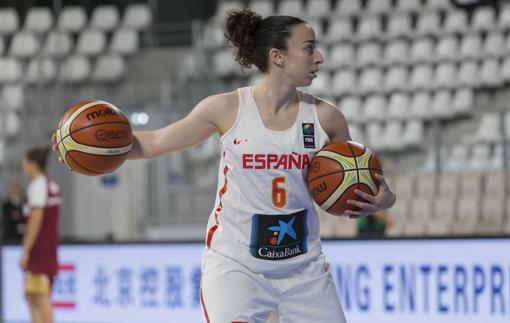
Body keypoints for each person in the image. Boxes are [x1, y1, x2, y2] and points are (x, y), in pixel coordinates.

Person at [53, 9, 396, 323]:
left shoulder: (327, 118)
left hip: (303, 268)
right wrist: (87, 146)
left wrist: (383, 200)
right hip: (236, 265)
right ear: (277, 56)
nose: (319, 57)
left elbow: (356, 189)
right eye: (309, 48)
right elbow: (156, 142)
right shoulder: (226, 109)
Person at [21, 147, 61, 323]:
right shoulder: (49, 184)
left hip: (40, 251)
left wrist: (25, 250)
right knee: (31, 295)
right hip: (47, 248)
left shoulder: (37, 186)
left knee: (40, 297)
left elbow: (35, 221)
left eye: (24, 163)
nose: (23, 167)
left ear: (32, 164)